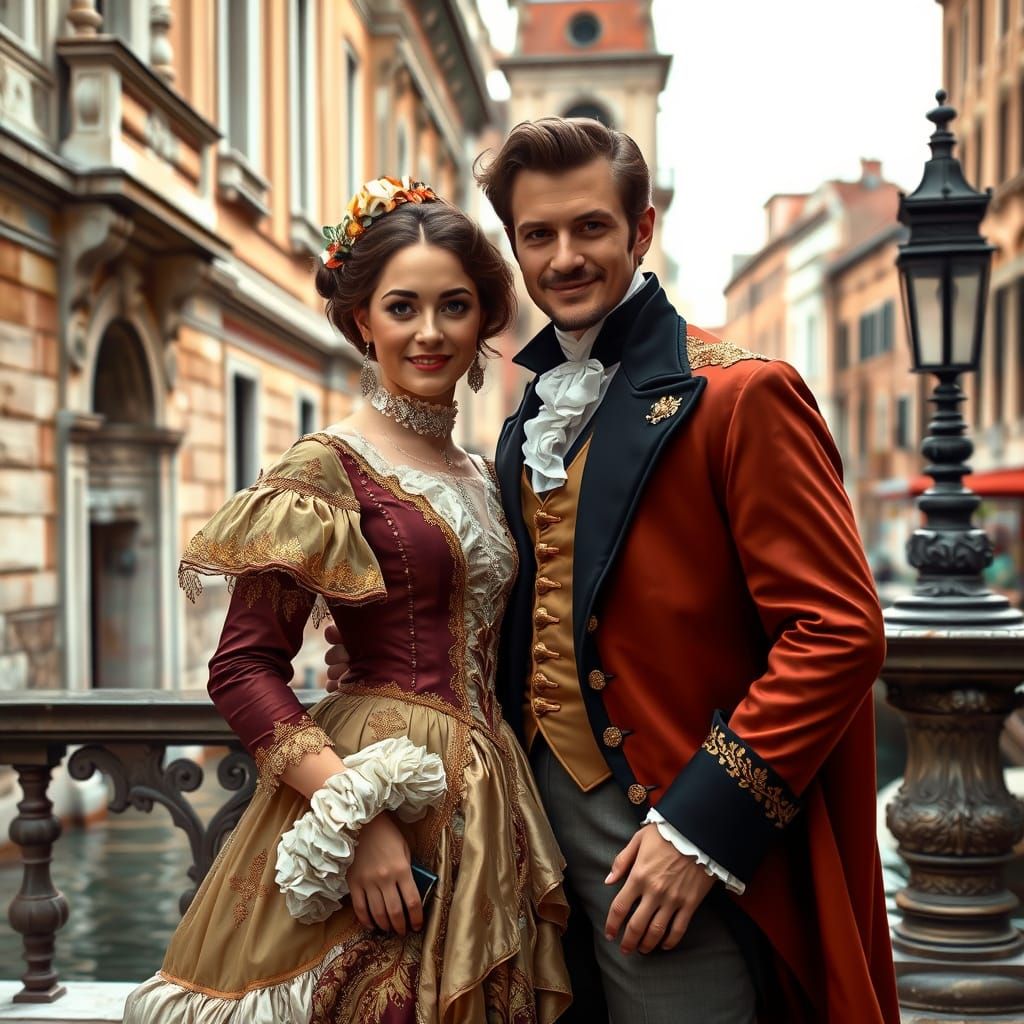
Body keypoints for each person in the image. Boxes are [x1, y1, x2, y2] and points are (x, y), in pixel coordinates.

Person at [323, 119, 900, 1024]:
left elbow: (840, 633)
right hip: (517, 842)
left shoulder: (745, 394)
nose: (564, 258)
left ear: (641, 230)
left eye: (590, 227)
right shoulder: (527, 419)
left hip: (668, 841)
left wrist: (699, 830)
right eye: (538, 235)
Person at [123, 177, 571, 1023]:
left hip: (491, 806)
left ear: (483, 321)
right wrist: (355, 817)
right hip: (370, 795)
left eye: (455, 306)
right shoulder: (325, 465)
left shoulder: (487, 474)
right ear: (363, 320)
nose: (430, 332)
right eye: (403, 308)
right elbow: (242, 668)